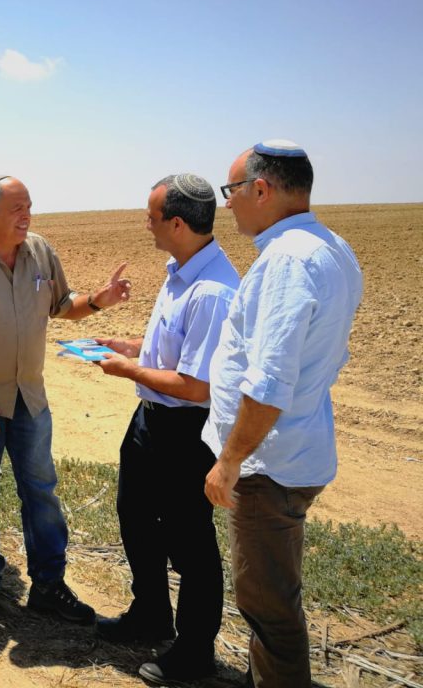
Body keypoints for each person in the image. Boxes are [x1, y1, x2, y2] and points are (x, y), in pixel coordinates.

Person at [0, 175, 131, 621]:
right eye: (17, 208)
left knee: (42, 492)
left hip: (30, 399)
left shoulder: (40, 252)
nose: (27, 216)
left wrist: (100, 300)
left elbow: (63, 305)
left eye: (29, 206)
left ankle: (49, 586)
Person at [203, 140, 363, 687]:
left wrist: (229, 461)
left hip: (268, 466)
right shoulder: (332, 247)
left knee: (268, 609)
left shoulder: (287, 260)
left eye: (232, 192)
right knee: (273, 597)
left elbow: (268, 385)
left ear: (261, 190)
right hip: (296, 449)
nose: (228, 205)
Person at [91, 174, 238, 684]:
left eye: (151, 217)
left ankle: (194, 651)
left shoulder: (213, 292)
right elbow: (174, 348)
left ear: (177, 223)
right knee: (134, 514)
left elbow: (196, 387)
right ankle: (149, 614)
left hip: (186, 429)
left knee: (189, 540)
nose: (146, 224)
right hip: (151, 420)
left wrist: (127, 370)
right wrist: (133, 347)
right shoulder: (180, 272)